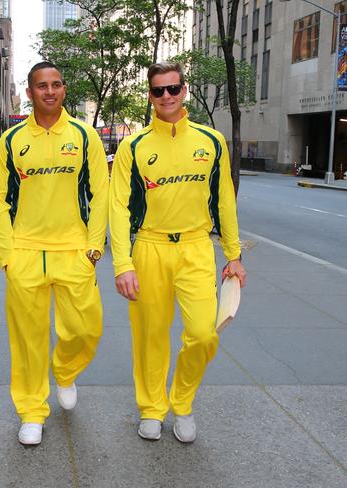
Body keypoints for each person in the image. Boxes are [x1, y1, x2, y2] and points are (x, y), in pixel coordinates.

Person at [109, 62, 246, 444]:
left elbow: (224, 202)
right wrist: (122, 264)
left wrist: (234, 255)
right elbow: (117, 208)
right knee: (150, 337)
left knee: (204, 333)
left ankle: (182, 403)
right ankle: (152, 408)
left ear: (184, 90)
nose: (166, 96)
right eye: (158, 91)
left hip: (196, 249)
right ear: (150, 96)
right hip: (148, 248)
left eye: (172, 88)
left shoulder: (211, 141)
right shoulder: (132, 147)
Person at [0, 61, 109, 446]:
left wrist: (93, 248)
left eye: (56, 84)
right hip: (24, 253)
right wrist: (7, 256)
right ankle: (31, 411)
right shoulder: (10, 141)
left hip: (74, 251)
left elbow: (100, 195)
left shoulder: (84, 136)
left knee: (87, 329)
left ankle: (65, 370)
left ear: (64, 89)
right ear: (30, 92)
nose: (50, 91)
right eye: (42, 86)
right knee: (27, 339)